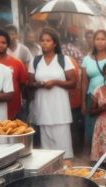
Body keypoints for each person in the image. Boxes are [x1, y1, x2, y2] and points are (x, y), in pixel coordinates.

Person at [28, 27, 76, 159]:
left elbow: (73, 82)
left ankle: (66, 174)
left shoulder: (63, 59)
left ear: (54, 43)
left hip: (60, 111)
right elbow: (29, 84)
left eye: (48, 40)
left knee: (64, 150)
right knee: (47, 154)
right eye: (42, 40)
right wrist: (38, 84)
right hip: (43, 110)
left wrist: (55, 82)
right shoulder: (35, 61)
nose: (44, 43)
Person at [0, 29, 28, 120]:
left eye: (4, 42)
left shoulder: (17, 63)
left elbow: (23, 86)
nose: (1, 45)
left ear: (8, 44)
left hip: (14, 111)